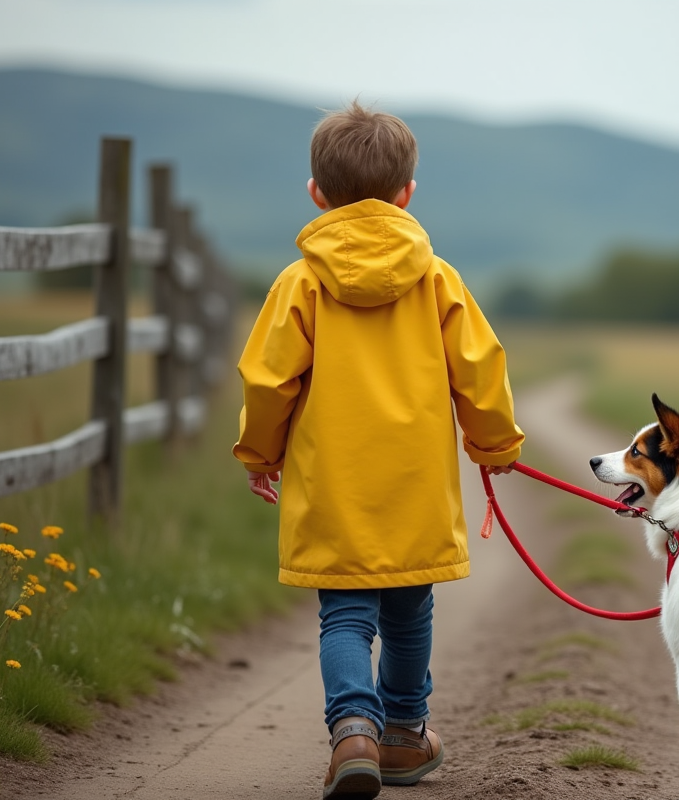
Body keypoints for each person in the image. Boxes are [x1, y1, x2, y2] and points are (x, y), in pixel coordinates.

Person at [232, 100, 524, 800]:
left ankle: (352, 733)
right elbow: (480, 370)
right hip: (416, 483)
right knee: (409, 608)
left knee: (345, 613)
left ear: (317, 193)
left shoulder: (299, 283)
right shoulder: (438, 280)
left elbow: (268, 381)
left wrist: (260, 455)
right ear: (406, 194)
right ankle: (402, 733)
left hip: (333, 484)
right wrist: (495, 445)